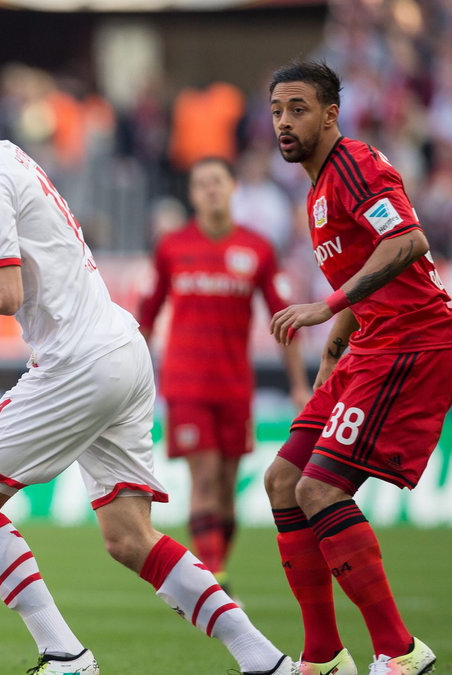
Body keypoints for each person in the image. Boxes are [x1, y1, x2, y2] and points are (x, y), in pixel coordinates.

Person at [0, 54, 296, 675]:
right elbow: (22, 260)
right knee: (130, 538)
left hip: (77, 361)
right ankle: (265, 661)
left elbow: (4, 294)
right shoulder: (5, 160)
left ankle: (65, 656)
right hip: (120, 351)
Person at [265, 61, 452, 675]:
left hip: (414, 345)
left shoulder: (353, 164)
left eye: (297, 108)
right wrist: (334, 349)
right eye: (275, 110)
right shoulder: (319, 187)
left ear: (330, 114)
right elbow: (369, 271)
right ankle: (323, 658)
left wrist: (325, 308)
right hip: (370, 347)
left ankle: (400, 652)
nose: (283, 122)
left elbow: (407, 241)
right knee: (283, 482)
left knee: (319, 489)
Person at [138, 156, 311, 592]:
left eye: (217, 181)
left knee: (229, 488)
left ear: (233, 188)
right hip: (186, 383)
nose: (210, 190)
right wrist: (134, 381)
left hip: (234, 385)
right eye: (201, 184)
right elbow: (147, 316)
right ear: (192, 194)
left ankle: (217, 565)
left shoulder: (257, 249)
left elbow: (285, 321)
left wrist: (298, 385)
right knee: (207, 475)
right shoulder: (172, 247)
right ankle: (212, 574)